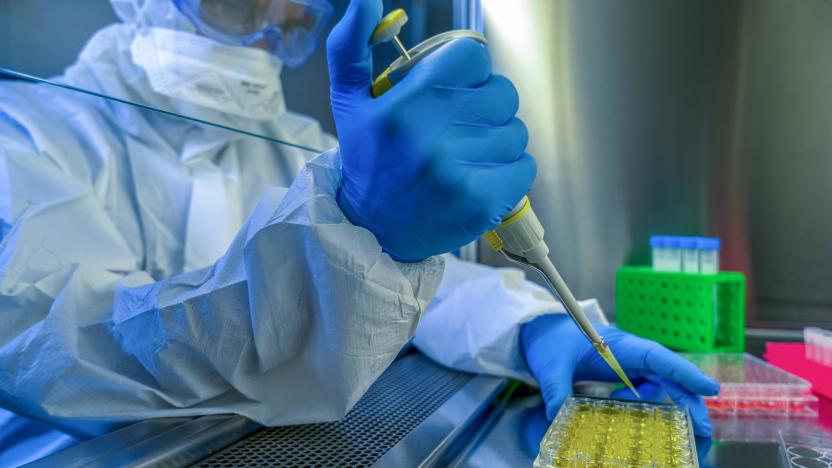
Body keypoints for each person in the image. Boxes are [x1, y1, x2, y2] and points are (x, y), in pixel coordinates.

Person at [0, 0, 719, 464]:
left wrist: (536, 327)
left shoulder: (295, 143)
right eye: (243, 1)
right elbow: (77, 345)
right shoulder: (25, 133)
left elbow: (414, 283)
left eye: (294, 19)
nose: (275, 20)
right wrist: (352, 222)